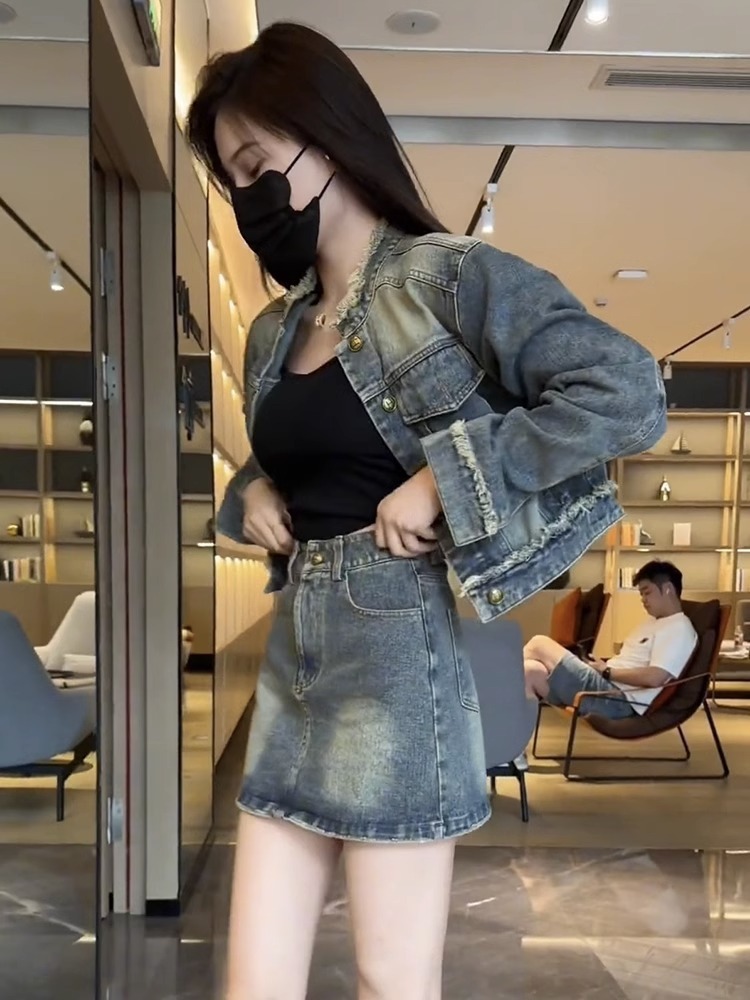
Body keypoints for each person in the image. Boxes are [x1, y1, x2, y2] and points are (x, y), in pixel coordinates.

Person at [186, 22, 666, 1000]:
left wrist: (450, 476)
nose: (249, 198)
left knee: (390, 982)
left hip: (399, 658)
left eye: (257, 165)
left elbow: (626, 392)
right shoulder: (275, 329)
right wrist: (253, 493)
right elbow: (299, 465)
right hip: (295, 657)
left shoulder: (445, 277)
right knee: (252, 985)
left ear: (325, 140)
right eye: (232, 181)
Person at [524, 561, 697, 719]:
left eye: (647, 592)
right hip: (606, 686)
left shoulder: (678, 627)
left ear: (667, 589)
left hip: (617, 700)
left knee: (539, 644)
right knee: (529, 671)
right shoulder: (652, 622)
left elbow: (654, 678)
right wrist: (603, 667)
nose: (643, 600)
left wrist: (607, 672)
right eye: (641, 594)